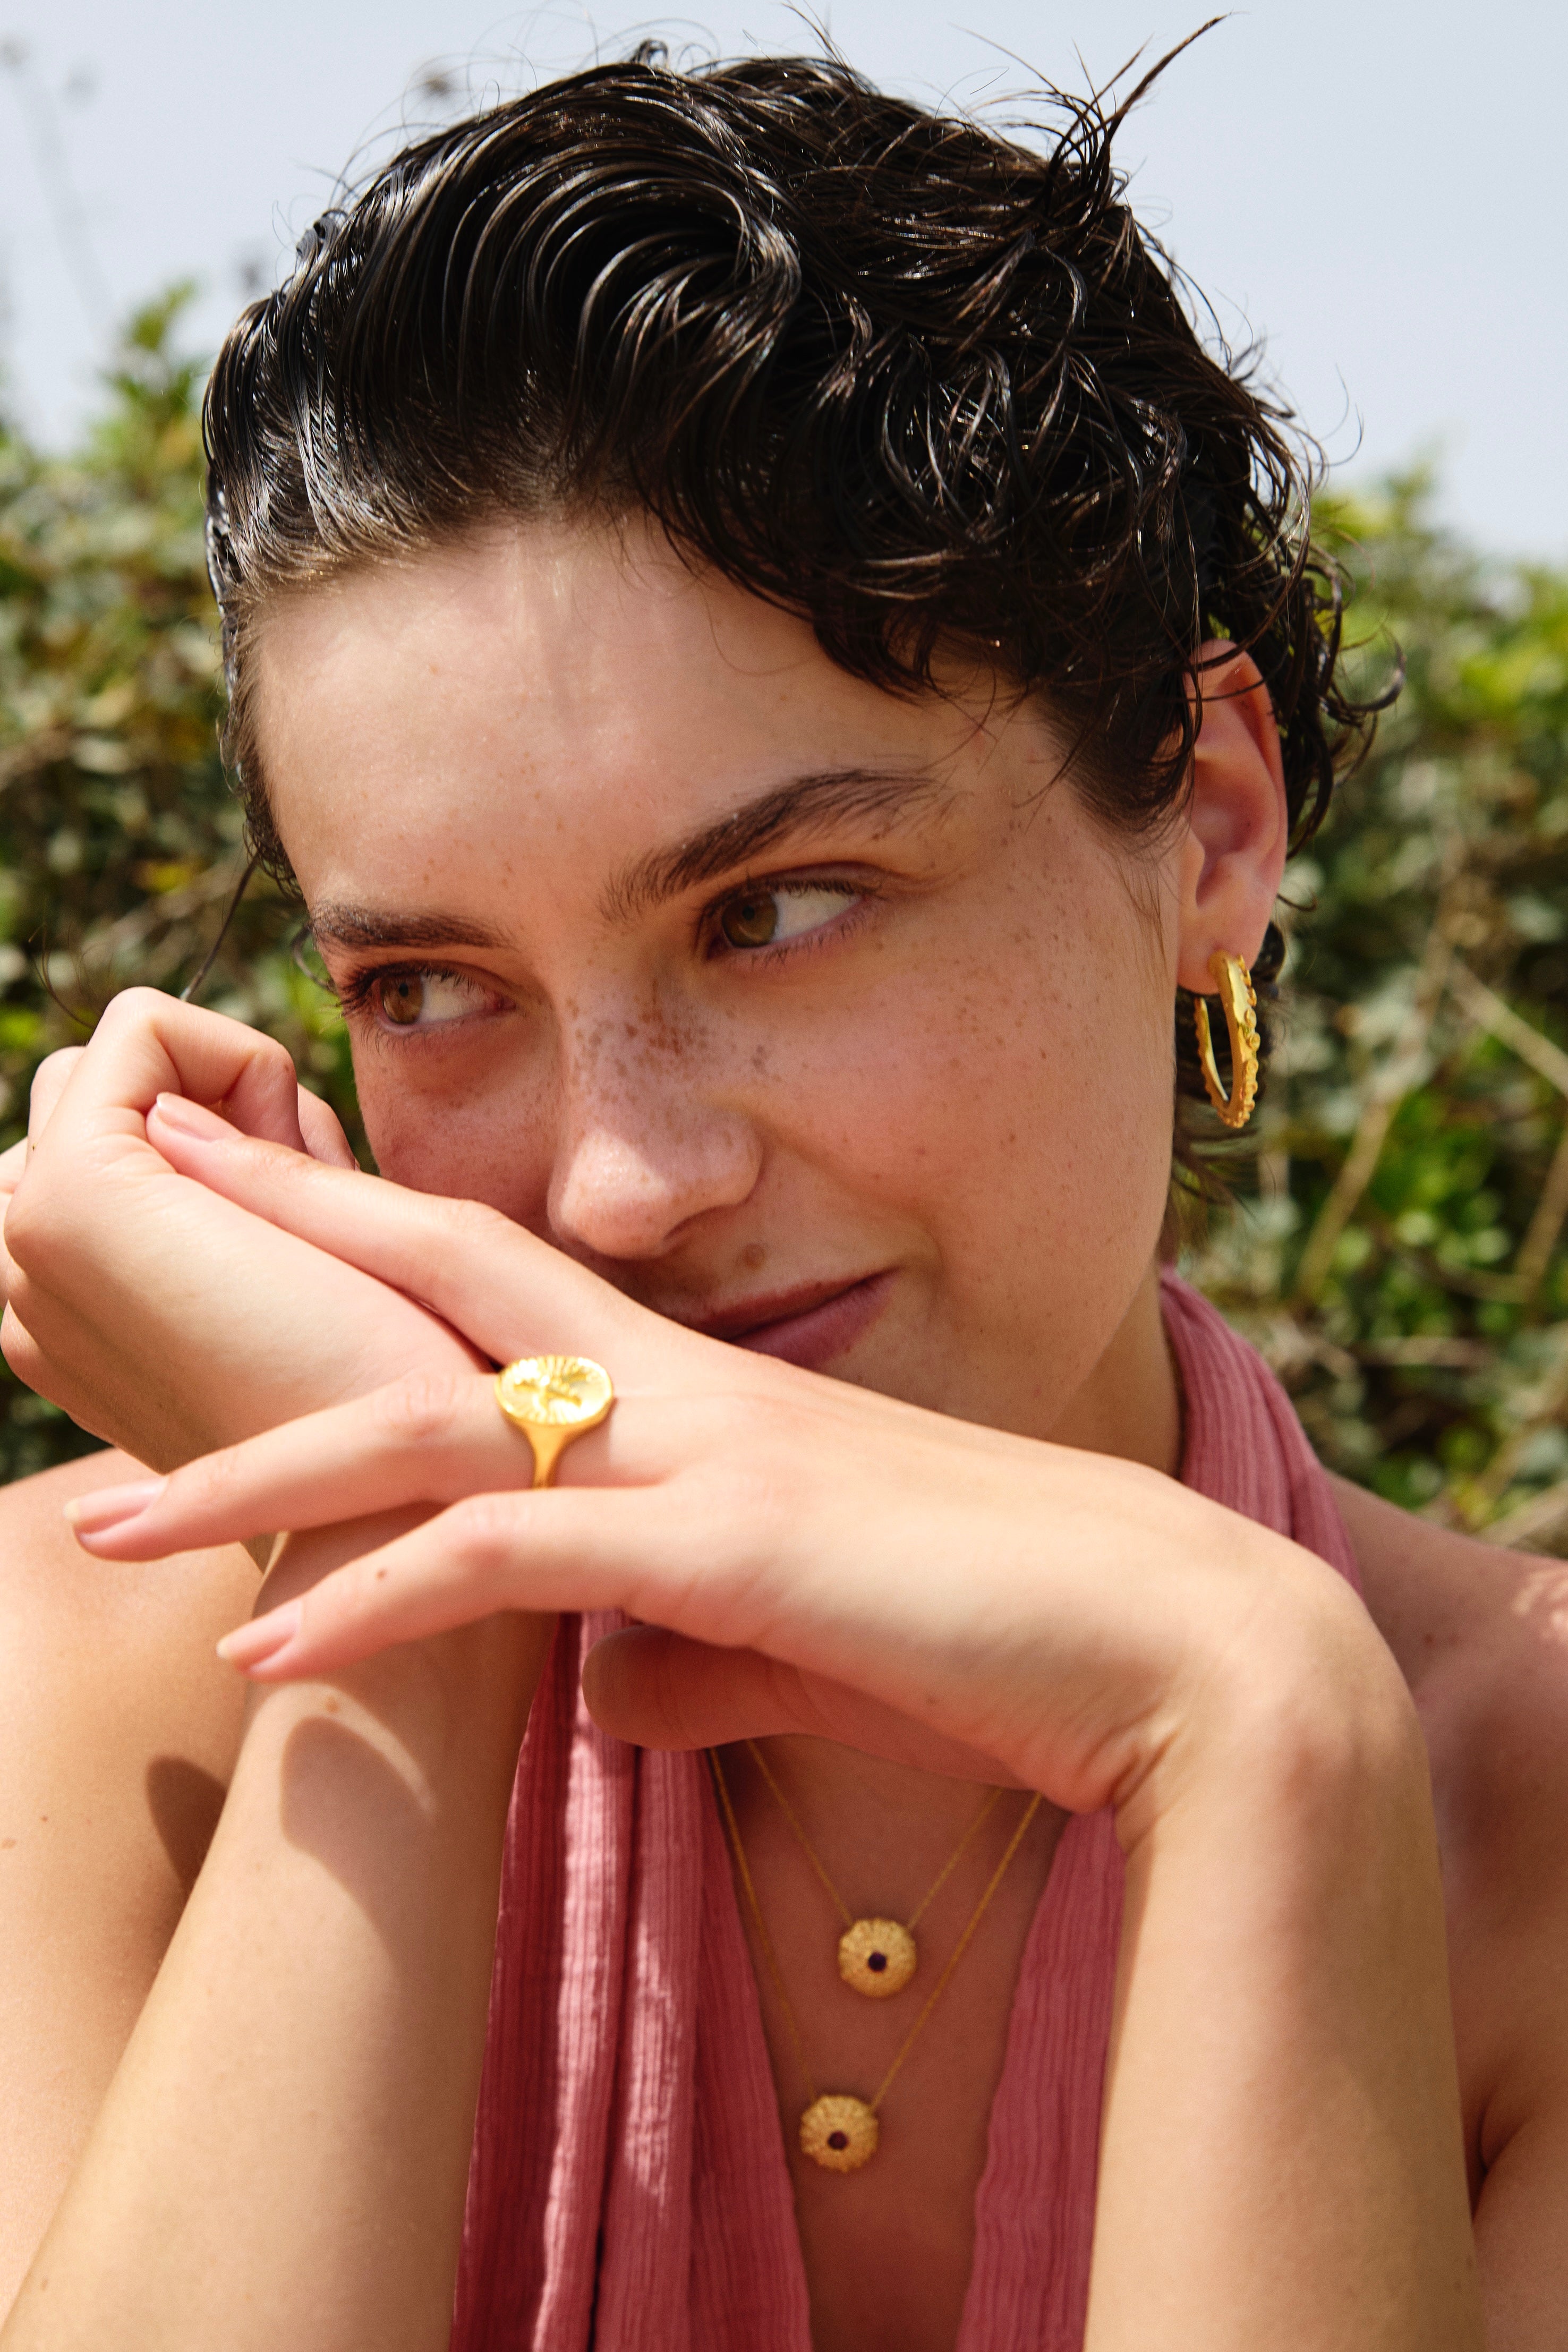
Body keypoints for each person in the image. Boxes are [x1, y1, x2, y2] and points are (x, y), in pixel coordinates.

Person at [0, 47, 1560, 2352]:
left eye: (778, 910)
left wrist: (1261, 1727)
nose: (621, 1191)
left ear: (1211, 824)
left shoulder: (1522, 1825)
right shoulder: (101, 1697)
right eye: (434, 984)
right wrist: (399, 1643)